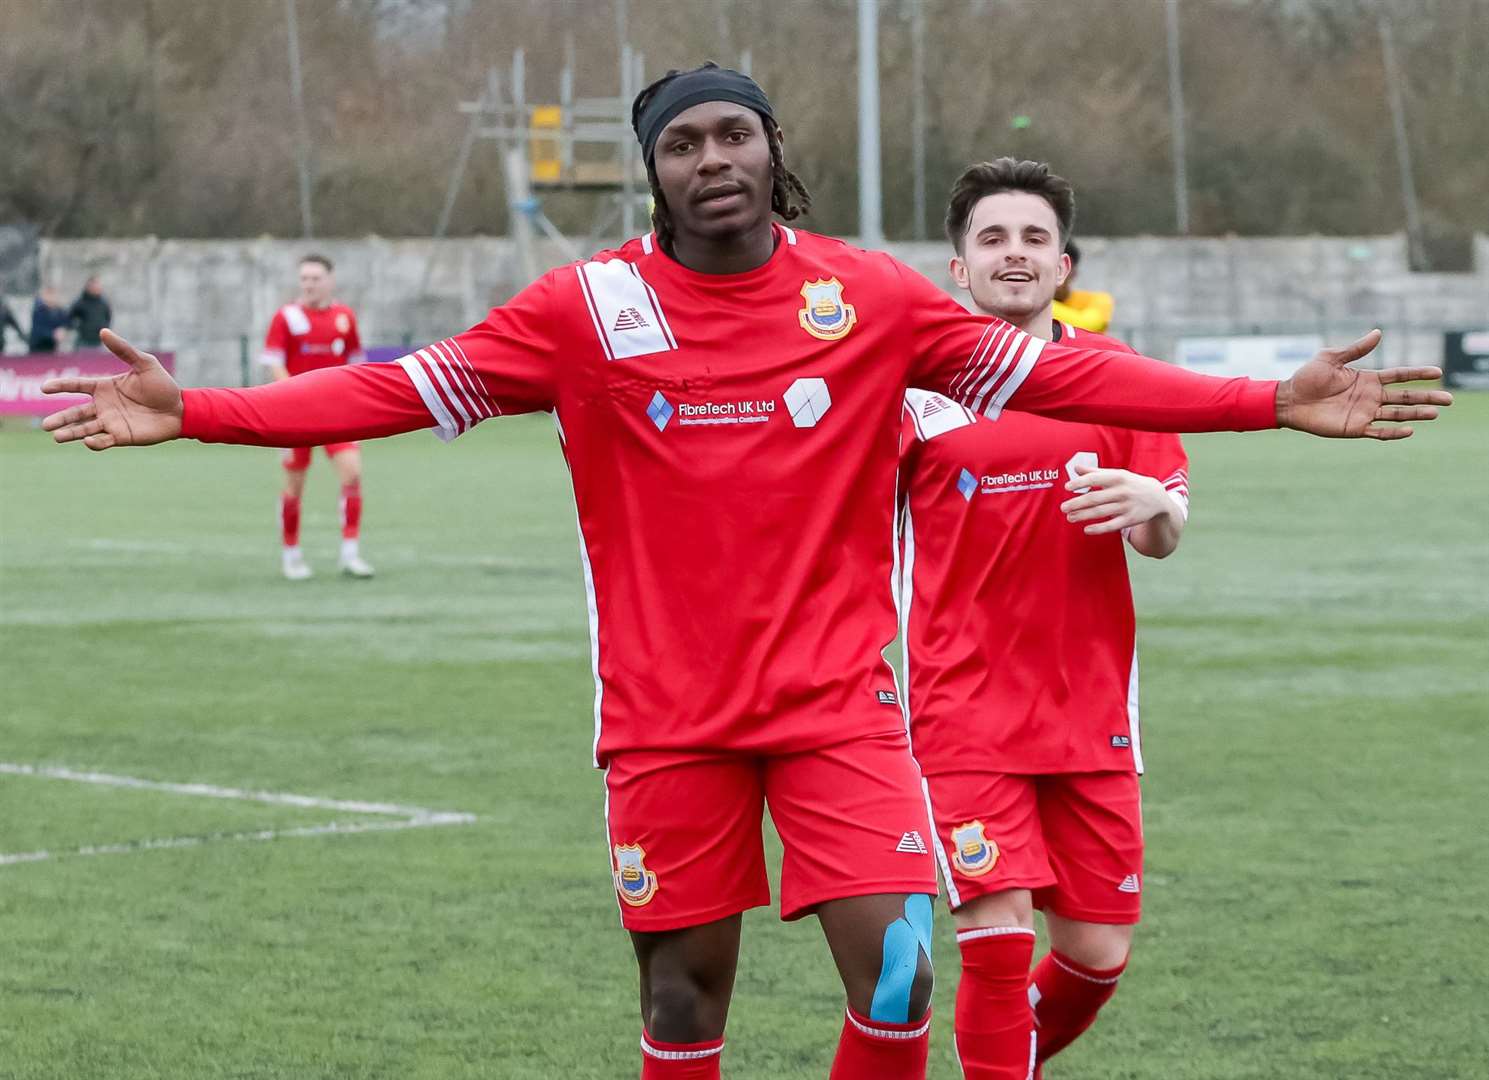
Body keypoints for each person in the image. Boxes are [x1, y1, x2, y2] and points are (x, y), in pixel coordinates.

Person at [41, 64, 1448, 1080]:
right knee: (680, 997)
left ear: (776, 153)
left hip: (841, 706)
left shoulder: (872, 298)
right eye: (682, 143)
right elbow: (403, 388)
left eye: (736, 135)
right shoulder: (583, 311)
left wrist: (1268, 401)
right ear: (651, 171)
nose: (713, 159)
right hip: (665, 716)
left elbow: (1073, 370)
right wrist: (200, 411)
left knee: (900, 963)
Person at [899, 158, 1192, 1079]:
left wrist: (1152, 499)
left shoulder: (1117, 377)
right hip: (961, 708)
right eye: (992, 239)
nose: (1013, 255)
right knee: (993, 943)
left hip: (1090, 711)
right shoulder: (910, 393)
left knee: (1095, 957)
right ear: (959, 267)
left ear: (1063, 265)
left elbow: (1161, 535)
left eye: (1033, 239)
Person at [259, 255, 372, 580]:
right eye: (304, 278)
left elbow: (355, 363)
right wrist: (293, 395)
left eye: (315, 278)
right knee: (294, 485)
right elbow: (275, 362)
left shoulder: (344, 317)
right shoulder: (287, 317)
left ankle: (350, 554)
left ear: (330, 280)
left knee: (352, 473)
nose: (309, 284)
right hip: (296, 416)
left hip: (336, 412)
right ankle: (291, 555)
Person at [1051, 240, 1114, 333]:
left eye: (1060, 268)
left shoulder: (1098, 300)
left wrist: (1041, 305)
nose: (1056, 275)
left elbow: (1087, 325)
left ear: (1074, 273)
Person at [69, 276, 113, 349]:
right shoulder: (80, 302)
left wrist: (104, 328)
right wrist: (79, 327)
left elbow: (108, 317)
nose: (95, 287)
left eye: (97, 285)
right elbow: (71, 317)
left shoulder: (104, 303)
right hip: (83, 341)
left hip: (98, 341)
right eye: (93, 285)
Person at [28, 287, 70, 353]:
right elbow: (38, 328)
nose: (51, 297)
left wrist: (63, 329)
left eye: (53, 295)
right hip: (38, 345)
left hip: (52, 346)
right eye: (48, 295)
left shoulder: (60, 311)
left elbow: (66, 322)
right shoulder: (38, 310)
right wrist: (53, 334)